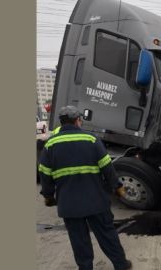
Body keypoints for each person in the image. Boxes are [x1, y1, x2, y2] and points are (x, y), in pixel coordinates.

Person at [38, 105, 132, 270]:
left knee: (78, 240)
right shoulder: (91, 139)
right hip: (96, 201)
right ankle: (121, 265)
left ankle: (85, 267)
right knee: (107, 235)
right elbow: (107, 168)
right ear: (77, 121)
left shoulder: (50, 144)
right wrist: (117, 186)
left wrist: (48, 196)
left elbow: (44, 174)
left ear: (62, 122)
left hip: (69, 204)